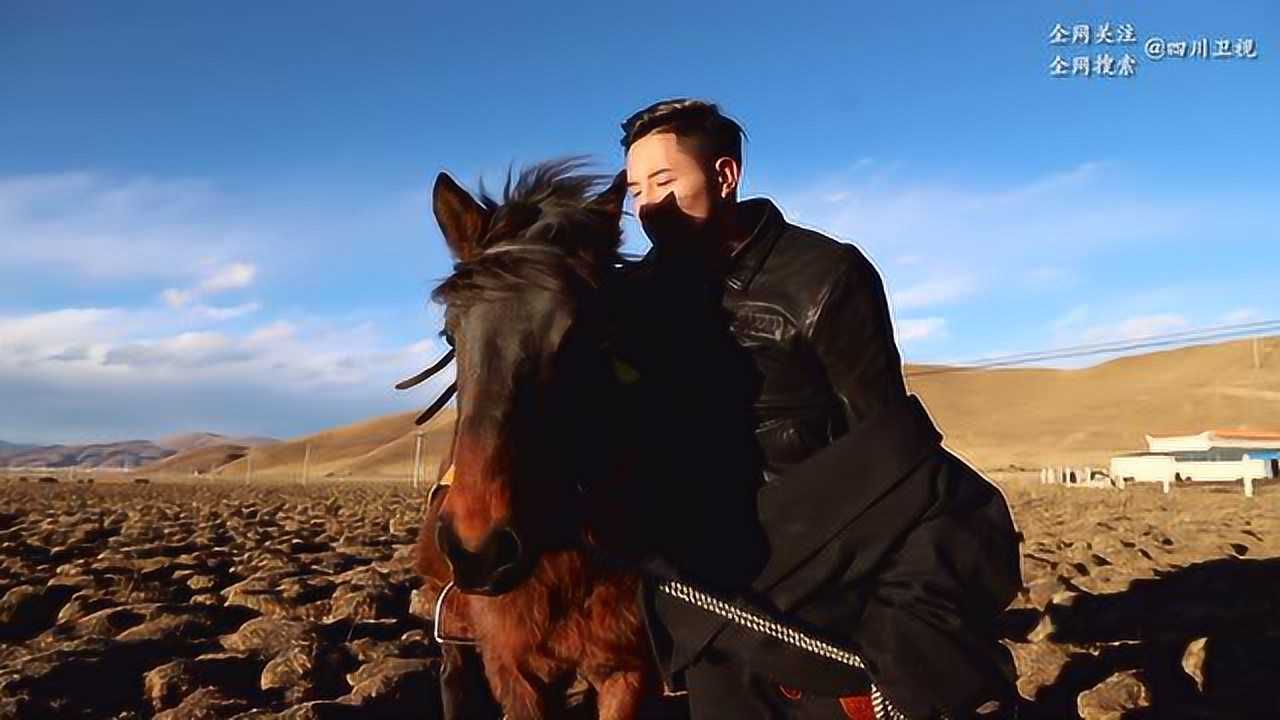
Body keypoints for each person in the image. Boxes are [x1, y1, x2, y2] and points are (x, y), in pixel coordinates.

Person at [617, 98, 1025, 720]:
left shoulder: (824, 276)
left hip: (826, 540)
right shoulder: (634, 301)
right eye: (635, 189)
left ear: (725, 176)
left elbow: (884, 445)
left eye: (666, 182)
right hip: (705, 569)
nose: (649, 206)